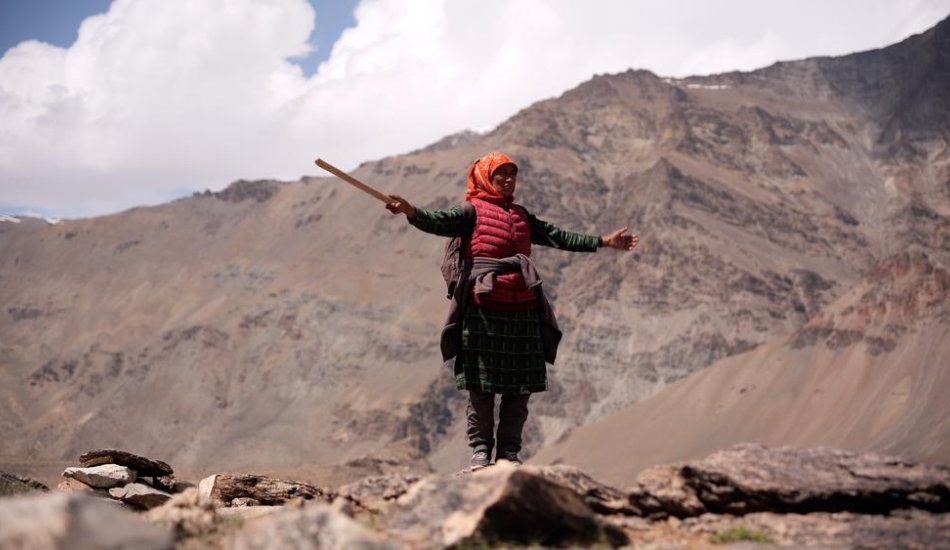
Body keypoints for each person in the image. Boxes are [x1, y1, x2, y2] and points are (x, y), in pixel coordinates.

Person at [386, 151, 637, 470]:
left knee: (520, 388)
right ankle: (480, 451)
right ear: (484, 178)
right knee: (482, 386)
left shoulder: (521, 215)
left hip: (523, 311)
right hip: (482, 310)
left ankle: (508, 453)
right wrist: (409, 210)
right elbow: (438, 221)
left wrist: (602, 241)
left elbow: (558, 236)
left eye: (511, 174)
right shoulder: (470, 211)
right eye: (499, 174)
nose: (507, 179)